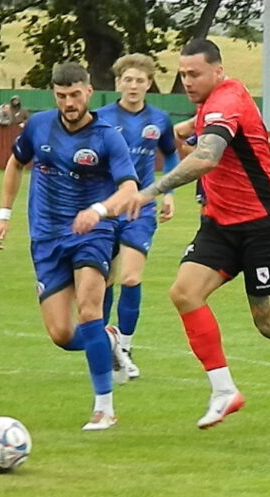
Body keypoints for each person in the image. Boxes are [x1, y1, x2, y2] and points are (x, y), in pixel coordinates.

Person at [87, 39, 270, 430]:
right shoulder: (207, 106)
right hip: (219, 224)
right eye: (182, 74)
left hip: (264, 225)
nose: (188, 81)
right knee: (184, 292)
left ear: (218, 71)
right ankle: (223, 390)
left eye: (194, 74)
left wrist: (150, 191)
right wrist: (166, 131)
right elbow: (190, 132)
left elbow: (207, 155)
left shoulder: (227, 101)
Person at [0, 62, 137, 431]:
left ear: (89, 92)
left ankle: (104, 408)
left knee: (89, 310)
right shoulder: (38, 126)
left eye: (75, 95)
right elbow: (15, 163)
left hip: (93, 233)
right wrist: (3, 215)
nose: (69, 103)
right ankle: (109, 339)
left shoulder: (107, 136)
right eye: (61, 96)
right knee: (61, 334)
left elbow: (130, 190)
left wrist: (98, 211)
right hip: (46, 236)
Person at [96, 53, 181, 379]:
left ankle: (126, 347)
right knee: (104, 280)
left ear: (149, 84)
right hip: (107, 206)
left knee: (131, 277)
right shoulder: (100, 118)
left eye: (140, 80)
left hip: (141, 207)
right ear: (118, 83)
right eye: (128, 80)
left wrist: (169, 192)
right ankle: (104, 347)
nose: (133, 86)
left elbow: (171, 155)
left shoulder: (159, 120)